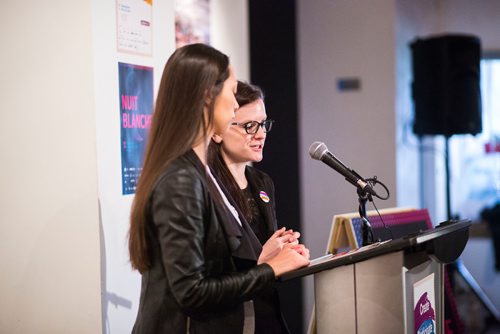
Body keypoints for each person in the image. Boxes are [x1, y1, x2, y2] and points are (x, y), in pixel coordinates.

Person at [128, 43, 310, 333]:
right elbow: (192, 293)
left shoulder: (199, 172)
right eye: (231, 90)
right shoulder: (181, 179)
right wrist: (270, 269)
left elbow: (212, 271)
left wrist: (264, 260)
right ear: (207, 97)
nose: (236, 104)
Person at [208, 81, 300, 333]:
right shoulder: (207, 189)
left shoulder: (262, 182)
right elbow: (211, 277)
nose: (261, 134)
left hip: (267, 309)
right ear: (217, 130)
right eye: (250, 126)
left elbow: (268, 252)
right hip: (231, 319)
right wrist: (265, 256)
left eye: (264, 124)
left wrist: (286, 250)